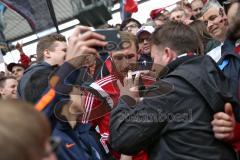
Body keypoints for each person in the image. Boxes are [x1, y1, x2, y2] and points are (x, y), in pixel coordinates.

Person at [109, 22, 237, 159]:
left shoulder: (165, 89)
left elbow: (122, 139)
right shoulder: (214, 70)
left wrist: (126, 99)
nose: (153, 67)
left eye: (154, 58)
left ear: (167, 53)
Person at [17, 33, 67, 103]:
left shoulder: (36, 73)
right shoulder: (40, 74)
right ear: (47, 53)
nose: (68, 54)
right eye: (64, 50)